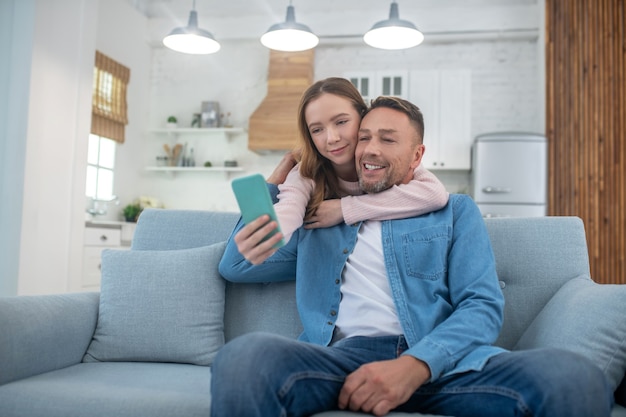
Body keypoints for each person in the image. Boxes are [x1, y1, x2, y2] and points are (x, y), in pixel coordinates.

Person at [213, 96, 612, 417]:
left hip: (444, 363)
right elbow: (237, 266)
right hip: (340, 362)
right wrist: (275, 184)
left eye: (388, 139)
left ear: (417, 156)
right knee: (245, 357)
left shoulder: (454, 211)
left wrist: (416, 365)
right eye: (364, 137)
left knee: (574, 377)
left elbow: (483, 305)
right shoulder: (319, 216)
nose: (370, 149)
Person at [266, 77, 448, 247]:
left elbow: (434, 194)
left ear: (363, 117)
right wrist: (270, 229)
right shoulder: (307, 171)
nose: (331, 138)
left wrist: (345, 209)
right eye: (317, 129)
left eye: (341, 122)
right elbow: (289, 208)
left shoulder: (388, 164)